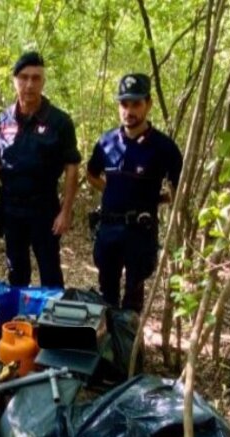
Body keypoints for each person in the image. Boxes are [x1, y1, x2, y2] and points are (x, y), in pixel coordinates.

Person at [0, 51, 80, 288]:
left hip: (45, 209)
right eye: (23, 77)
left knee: (50, 270)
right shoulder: (3, 120)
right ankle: (19, 323)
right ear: (14, 80)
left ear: (43, 82)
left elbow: (72, 167)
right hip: (11, 209)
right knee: (16, 272)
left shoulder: (59, 122)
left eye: (36, 78)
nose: (29, 84)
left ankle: (53, 323)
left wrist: (66, 210)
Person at [86, 73, 183, 312]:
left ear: (148, 104)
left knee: (134, 297)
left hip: (140, 231)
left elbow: (181, 186)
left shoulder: (163, 146)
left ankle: (130, 345)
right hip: (108, 228)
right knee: (106, 295)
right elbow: (91, 174)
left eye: (136, 104)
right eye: (124, 104)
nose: (129, 111)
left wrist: (159, 199)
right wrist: (112, 190)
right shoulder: (106, 141)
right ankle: (108, 344)